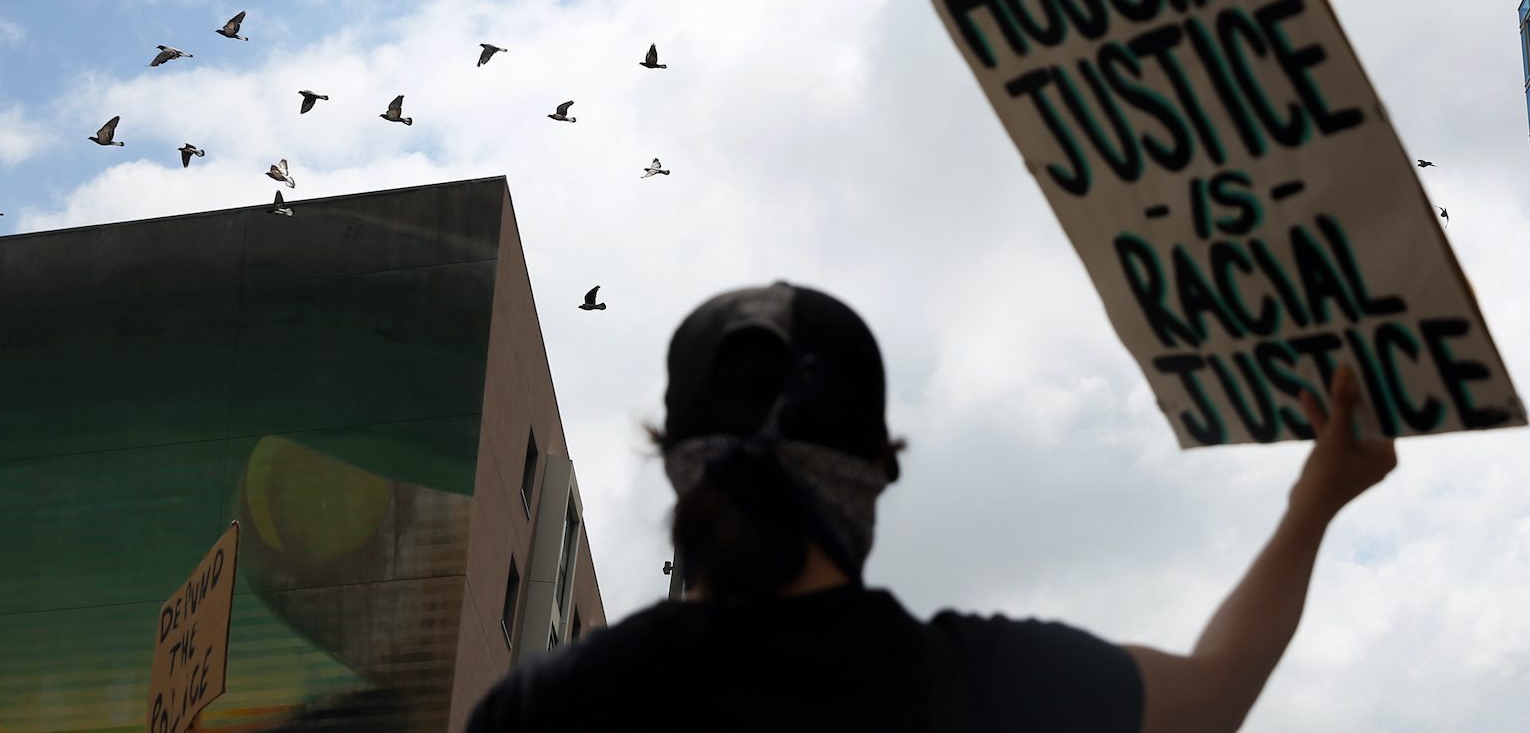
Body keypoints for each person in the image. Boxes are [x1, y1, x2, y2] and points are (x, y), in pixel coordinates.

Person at [465, 281, 1396, 732]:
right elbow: (1218, 686)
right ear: (876, 466)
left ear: (673, 463)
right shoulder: (991, 683)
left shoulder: (544, 707)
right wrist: (1314, 503)